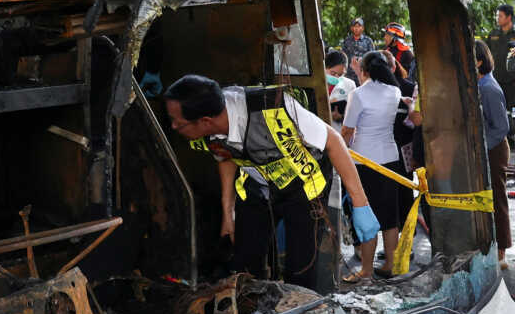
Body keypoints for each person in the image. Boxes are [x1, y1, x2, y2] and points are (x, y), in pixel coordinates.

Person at [163, 75, 380, 287]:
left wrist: (361, 204)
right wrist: (228, 213)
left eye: (177, 123)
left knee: (301, 269)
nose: (173, 127)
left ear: (205, 121)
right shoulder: (214, 123)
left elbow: (333, 140)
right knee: (244, 263)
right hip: (259, 186)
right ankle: (253, 307)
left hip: (304, 188)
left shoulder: (273, 110)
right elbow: (224, 155)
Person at [341, 51, 409, 277]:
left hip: (364, 161)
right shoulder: (395, 91)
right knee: (390, 216)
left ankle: (367, 269)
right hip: (390, 159)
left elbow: (347, 131)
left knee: (366, 213)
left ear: (365, 71)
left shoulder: (358, 94)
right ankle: (391, 264)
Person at [476, 40, 512, 269]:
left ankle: (501, 252)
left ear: (479, 61)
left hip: (494, 148)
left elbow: (501, 126)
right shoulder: (479, 84)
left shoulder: (488, 88)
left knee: (497, 199)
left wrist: (482, 148)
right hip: (487, 147)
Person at [489, 4, 515, 179]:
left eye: (501, 15)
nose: (498, 18)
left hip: (513, 85)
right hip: (495, 85)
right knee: (495, 119)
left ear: (509, 17)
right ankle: (497, 154)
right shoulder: (493, 35)